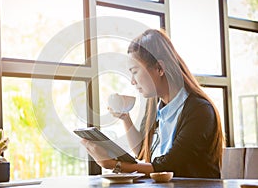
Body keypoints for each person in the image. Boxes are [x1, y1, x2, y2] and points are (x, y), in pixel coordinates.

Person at [81, 29, 225, 178]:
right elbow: (142, 152)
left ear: (159, 68)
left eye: (135, 71)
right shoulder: (156, 108)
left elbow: (167, 166)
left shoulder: (199, 111)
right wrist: (125, 118)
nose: (132, 81)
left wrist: (113, 165)